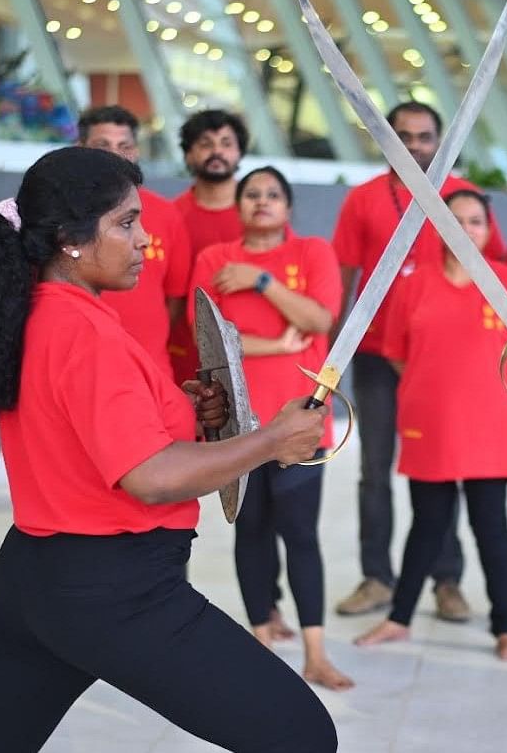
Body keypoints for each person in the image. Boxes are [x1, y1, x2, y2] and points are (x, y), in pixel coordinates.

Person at [0, 146, 337, 751]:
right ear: (70, 238)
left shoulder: (42, 313)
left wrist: (179, 411)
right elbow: (149, 475)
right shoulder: (85, 332)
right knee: (301, 735)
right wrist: (271, 440)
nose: (145, 239)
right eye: (126, 222)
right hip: (115, 589)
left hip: (40, 573)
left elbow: (86, 432)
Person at [331, 101, 505, 621]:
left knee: (442, 468)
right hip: (376, 358)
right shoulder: (362, 200)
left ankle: (446, 581)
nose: (414, 146)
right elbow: (345, 278)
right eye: (402, 136)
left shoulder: (461, 199)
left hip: (440, 362)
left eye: (424, 136)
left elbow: (489, 275)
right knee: (374, 469)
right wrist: (335, 348)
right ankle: (376, 578)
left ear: (440, 139)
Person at [355, 189, 507, 661]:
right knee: (427, 524)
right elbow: (397, 355)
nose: (466, 229)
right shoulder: (413, 284)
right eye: (454, 220)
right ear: (437, 227)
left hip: (492, 426)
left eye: (475, 221)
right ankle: (399, 619)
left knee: (491, 527)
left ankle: (504, 627)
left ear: (489, 228)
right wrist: (435, 391)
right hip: (430, 424)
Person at [189, 166, 353, 691]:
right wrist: (279, 345)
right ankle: (261, 639)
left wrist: (262, 282)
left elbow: (320, 320)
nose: (262, 202)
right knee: (252, 531)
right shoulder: (214, 259)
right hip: (241, 421)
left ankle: (316, 653)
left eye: (273, 195)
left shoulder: (312, 253)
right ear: (238, 206)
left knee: (301, 534)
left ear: (288, 206)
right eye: (252, 194)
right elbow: (215, 342)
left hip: (301, 419)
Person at [77, 105, 191, 379]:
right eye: (103, 144)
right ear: (80, 148)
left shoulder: (166, 213)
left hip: (151, 369)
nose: (115, 154)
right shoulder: (63, 210)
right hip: (82, 367)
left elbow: (174, 298)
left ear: (136, 150)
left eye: (124, 145)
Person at [171, 109, 249, 384]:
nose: (217, 152)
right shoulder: (172, 216)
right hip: (182, 354)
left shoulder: (262, 215)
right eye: (206, 144)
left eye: (226, 143)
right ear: (189, 154)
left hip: (251, 355)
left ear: (239, 153)